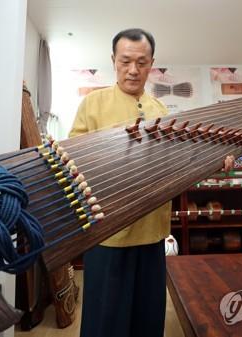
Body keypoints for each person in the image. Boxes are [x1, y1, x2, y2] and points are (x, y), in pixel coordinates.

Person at [69, 28, 170, 337]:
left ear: (152, 63)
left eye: (142, 62)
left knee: (147, 318)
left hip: (152, 232)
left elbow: (170, 163)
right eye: (125, 61)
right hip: (108, 232)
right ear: (113, 60)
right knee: (106, 322)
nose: (133, 70)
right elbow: (73, 157)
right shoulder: (93, 103)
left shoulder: (161, 110)